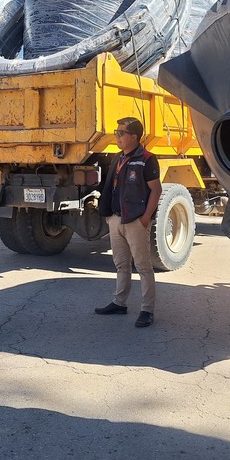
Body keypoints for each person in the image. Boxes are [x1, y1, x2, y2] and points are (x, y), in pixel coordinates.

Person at [95, 116, 162, 328]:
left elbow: (156, 190)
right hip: (116, 218)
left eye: (121, 133)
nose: (117, 136)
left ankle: (146, 310)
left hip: (135, 221)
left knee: (142, 266)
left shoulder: (147, 159)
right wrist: (109, 216)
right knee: (121, 264)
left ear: (134, 136)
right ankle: (119, 302)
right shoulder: (118, 158)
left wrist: (144, 220)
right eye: (116, 132)